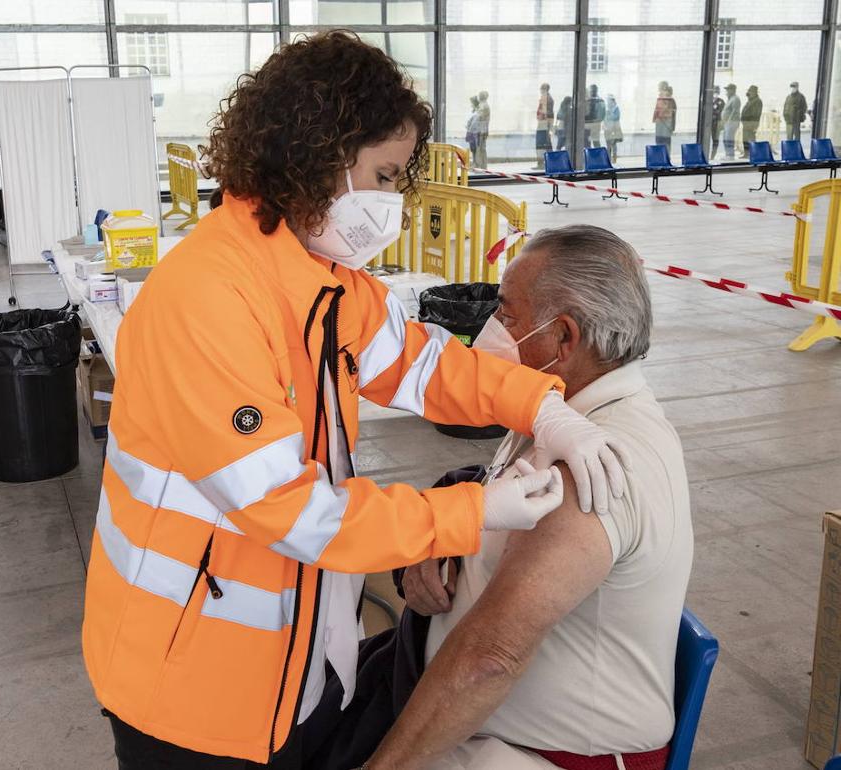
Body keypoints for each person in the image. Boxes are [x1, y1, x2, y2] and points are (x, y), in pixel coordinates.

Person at [81, 31, 628, 769]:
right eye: (383, 174)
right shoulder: (207, 299)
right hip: (190, 690)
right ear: (319, 154)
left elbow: (425, 366)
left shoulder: (324, 282)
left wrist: (543, 407)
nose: (391, 201)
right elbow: (291, 511)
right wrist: (471, 512)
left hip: (291, 667)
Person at [314, 226, 693, 770]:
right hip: (459, 706)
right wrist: (442, 539)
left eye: (507, 313)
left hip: (529, 751)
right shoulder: (562, 413)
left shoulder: (592, 468)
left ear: (563, 338)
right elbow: (491, 490)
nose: (492, 327)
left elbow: (491, 658)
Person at [534, 83, 554, 169]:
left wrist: (542, 117)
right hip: (544, 124)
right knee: (546, 144)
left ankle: (541, 163)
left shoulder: (546, 99)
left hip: (544, 125)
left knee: (541, 144)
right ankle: (550, 162)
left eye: (542, 89)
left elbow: (548, 113)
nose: (540, 91)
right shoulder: (546, 98)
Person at [653, 81, 676, 150]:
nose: (658, 88)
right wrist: (673, 126)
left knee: (659, 142)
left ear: (662, 87)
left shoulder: (661, 98)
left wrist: (654, 118)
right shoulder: (671, 99)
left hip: (661, 122)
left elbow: (657, 110)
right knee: (666, 142)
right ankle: (666, 155)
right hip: (667, 122)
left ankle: (661, 155)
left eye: (659, 86)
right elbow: (674, 113)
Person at [741, 85, 763, 157]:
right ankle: (746, 153)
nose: (749, 92)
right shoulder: (750, 100)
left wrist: (754, 124)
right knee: (745, 139)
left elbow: (756, 113)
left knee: (751, 138)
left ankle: (753, 153)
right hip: (746, 123)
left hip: (751, 123)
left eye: (751, 91)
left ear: (755, 92)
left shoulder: (757, 101)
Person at [721, 83, 742, 159]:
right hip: (727, 123)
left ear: (733, 90)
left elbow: (734, 111)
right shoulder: (730, 98)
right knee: (725, 139)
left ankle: (730, 155)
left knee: (729, 139)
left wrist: (729, 121)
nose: (727, 91)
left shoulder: (735, 99)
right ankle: (727, 154)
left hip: (732, 122)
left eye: (728, 89)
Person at [584, 84, 605, 149]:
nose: (591, 92)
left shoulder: (594, 101)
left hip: (591, 124)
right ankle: (595, 154)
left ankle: (595, 154)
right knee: (593, 142)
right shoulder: (599, 100)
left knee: (592, 142)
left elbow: (602, 114)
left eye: (591, 90)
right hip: (594, 124)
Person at [602, 94, 622, 162]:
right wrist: (604, 125)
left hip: (614, 129)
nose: (608, 102)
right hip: (607, 129)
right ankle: (608, 158)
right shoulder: (606, 109)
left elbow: (616, 117)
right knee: (608, 144)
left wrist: (609, 115)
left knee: (613, 144)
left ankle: (614, 157)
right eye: (608, 100)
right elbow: (604, 118)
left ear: (613, 101)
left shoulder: (616, 108)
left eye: (609, 100)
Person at [474, 91, 490, 167]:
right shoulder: (482, 105)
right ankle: (481, 165)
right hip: (481, 130)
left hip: (481, 130)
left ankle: (482, 165)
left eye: (479, 95)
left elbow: (480, 117)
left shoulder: (484, 105)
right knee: (480, 148)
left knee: (481, 149)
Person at [710, 86, 725, 158]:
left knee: (715, 139)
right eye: (714, 92)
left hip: (716, 123)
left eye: (717, 92)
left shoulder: (721, 101)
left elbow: (720, 112)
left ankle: (713, 155)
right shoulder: (709, 100)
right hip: (708, 124)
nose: (715, 93)